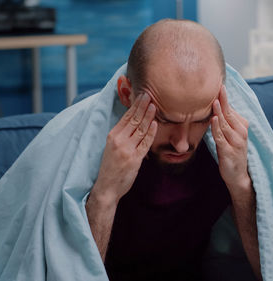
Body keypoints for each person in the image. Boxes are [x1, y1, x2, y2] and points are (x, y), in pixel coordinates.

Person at [85, 19, 261, 280]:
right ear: (126, 94)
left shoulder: (223, 141)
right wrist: (105, 195)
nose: (182, 144)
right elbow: (67, 269)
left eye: (200, 120)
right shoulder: (92, 147)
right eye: (166, 120)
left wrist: (240, 185)